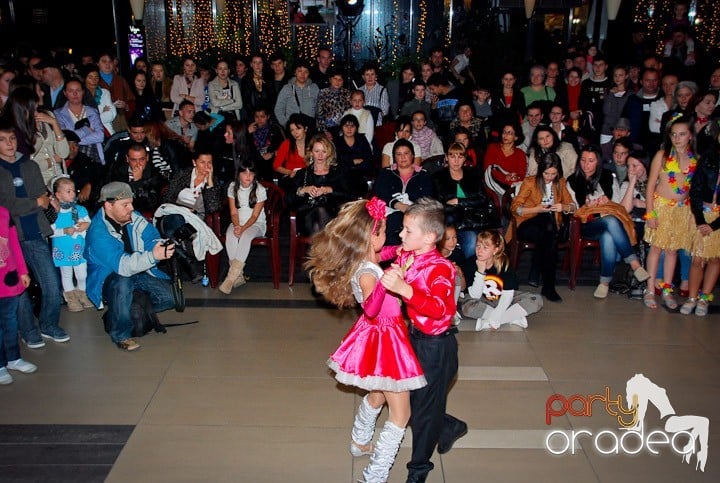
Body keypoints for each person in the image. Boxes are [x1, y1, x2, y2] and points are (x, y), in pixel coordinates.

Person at [305, 197, 427, 483]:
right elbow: (372, 306)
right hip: (387, 341)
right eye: (383, 232)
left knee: (377, 393)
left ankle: (359, 441)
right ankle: (374, 476)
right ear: (372, 235)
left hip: (377, 336)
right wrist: (388, 283)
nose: (387, 238)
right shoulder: (367, 273)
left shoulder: (366, 259)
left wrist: (403, 250)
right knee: (401, 414)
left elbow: (385, 255)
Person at [378, 197, 466, 483]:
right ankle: (449, 426)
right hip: (415, 339)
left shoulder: (440, 268)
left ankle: (418, 471)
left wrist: (405, 289)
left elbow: (442, 309)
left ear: (429, 237)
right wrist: (368, 248)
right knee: (414, 402)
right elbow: (386, 251)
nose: (401, 235)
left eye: (407, 230)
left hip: (437, 346)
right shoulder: (408, 253)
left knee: (424, 412)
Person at [0, 120, 68, 347]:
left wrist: (45, 201)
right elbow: (5, 206)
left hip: (34, 231)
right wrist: (35, 202)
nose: (9, 144)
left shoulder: (29, 165)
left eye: (11, 139)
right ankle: (29, 332)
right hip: (8, 237)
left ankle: (48, 324)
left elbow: (42, 195)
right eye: (2, 140)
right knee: (17, 288)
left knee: (51, 283)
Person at [85, 182, 176, 351]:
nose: (131, 208)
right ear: (108, 205)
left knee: (170, 299)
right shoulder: (98, 233)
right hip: (110, 277)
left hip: (136, 270)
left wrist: (159, 246)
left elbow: (151, 236)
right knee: (123, 282)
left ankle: (122, 309)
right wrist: (153, 256)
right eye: (125, 204)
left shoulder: (132, 216)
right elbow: (123, 266)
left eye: (131, 203)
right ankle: (121, 334)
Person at [566, 145, 650, 298]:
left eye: (591, 161)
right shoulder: (572, 180)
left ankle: (604, 282)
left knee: (608, 234)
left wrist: (606, 201)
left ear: (598, 162)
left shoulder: (608, 177)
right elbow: (573, 208)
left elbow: (618, 205)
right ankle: (634, 263)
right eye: (583, 160)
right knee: (610, 221)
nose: (586, 164)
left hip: (608, 222)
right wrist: (587, 205)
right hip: (587, 223)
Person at [643, 116, 697, 310]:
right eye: (673, 134)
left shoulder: (694, 159)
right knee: (656, 248)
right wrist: (650, 213)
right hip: (661, 207)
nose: (677, 138)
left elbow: (693, 190)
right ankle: (650, 289)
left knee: (672, 250)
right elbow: (650, 185)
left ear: (690, 136)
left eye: (682, 134)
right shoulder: (663, 155)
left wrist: (693, 214)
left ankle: (667, 289)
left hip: (682, 210)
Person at [510, 152, 575, 301]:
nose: (550, 177)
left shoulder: (561, 182)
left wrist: (563, 207)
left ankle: (538, 270)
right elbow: (515, 208)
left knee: (549, 236)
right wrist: (537, 209)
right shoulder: (530, 182)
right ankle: (548, 286)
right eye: (547, 173)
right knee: (547, 225)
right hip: (528, 223)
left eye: (553, 174)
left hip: (549, 229)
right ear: (541, 170)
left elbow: (573, 206)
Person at [459, 229, 543, 329]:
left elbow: (508, 294)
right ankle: (513, 317)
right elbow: (475, 295)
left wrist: (496, 317)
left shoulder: (504, 264)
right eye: (478, 246)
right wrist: (480, 272)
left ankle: (490, 321)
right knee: (467, 306)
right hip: (483, 300)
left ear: (495, 250)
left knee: (536, 300)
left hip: (503, 298)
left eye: (485, 248)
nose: (479, 251)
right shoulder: (471, 263)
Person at [432, 142, 495, 258]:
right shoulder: (438, 177)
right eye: (452, 156)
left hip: (477, 219)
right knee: (471, 241)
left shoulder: (473, 174)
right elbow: (438, 205)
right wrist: (466, 204)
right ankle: (469, 271)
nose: (456, 161)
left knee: (490, 241)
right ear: (446, 157)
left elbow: (483, 199)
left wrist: (459, 202)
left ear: (465, 158)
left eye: (460, 156)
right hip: (453, 223)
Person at [0, 84, 70, 185]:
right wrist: (52, 160)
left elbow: (64, 153)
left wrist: (55, 124)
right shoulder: (14, 131)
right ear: (22, 110)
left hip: (58, 180)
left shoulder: (47, 116)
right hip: (37, 181)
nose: (36, 113)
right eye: (32, 110)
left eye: (37, 108)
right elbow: (22, 164)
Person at [682, 132, 720, 316]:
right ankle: (691, 297)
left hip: (718, 220)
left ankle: (705, 298)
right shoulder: (707, 157)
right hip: (702, 215)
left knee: (715, 258)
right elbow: (695, 189)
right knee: (697, 258)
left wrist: (714, 225)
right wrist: (700, 220)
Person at [0, 205, 37, 385]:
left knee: (10, 321)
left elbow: (14, 243)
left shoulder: (4, 213)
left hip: (8, 278)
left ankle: (13, 358)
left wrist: (23, 271)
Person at [218, 159, 267, 294]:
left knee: (245, 236)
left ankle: (230, 278)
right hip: (238, 222)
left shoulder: (260, 190)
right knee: (230, 235)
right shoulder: (232, 187)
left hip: (255, 224)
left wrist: (243, 228)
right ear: (238, 174)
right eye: (245, 174)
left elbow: (255, 216)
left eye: (251, 174)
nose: (248, 177)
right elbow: (233, 212)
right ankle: (238, 276)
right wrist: (237, 226)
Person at [287, 134, 351, 236]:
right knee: (317, 216)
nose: (320, 155)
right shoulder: (302, 174)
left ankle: (317, 249)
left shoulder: (338, 172)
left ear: (329, 153)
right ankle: (323, 249)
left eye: (324, 151)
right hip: (307, 214)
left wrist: (329, 190)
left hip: (334, 215)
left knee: (320, 216)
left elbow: (350, 196)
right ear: (311, 152)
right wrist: (303, 190)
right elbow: (288, 200)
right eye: (317, 151)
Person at [374, 139, 434, 245]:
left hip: (416, 213)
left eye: (406, 153)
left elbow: (428, 197)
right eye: (399, 154)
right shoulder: (386, 173)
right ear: (394, 157)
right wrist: (398, 205)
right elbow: (380, 193)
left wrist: (411, 208)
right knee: (393, 220)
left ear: (413, 155)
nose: (403, 157)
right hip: (389, 213)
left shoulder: (424, 175)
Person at [48, 175, 94, 312]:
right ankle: (71, 298)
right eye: (68, 191)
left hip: (79, 248)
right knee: (66, 273)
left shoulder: (79, 210)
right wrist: (64, 231)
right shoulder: (54, 213)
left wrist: (86, 224)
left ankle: (82, 293)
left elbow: (88, 222)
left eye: (73, 190)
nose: (73, 193)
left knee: (82, 274)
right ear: (58, 195)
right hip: (63, 249)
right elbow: (50, 232)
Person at [54, 78, 106, 165]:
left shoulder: (92, 111)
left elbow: (100, 136)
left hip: (94, 157)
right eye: (71, 91)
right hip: (70, 159)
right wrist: (87, 130)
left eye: (78, 90)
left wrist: (74, 140)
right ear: (65, 93)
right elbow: (65, 138)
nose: (75, 94)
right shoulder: (58, 114)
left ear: (83, 92)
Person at [107, 142, 167, 215]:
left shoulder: (155, 175)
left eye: (142, 159)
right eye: (133, 160)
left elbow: (150, 204)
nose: (138, 164)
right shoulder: (118, 172)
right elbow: (113, 196)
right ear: (127, 159)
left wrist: (138, 182)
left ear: (147, 158)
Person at [163, 149, 223, 218]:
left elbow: (213, 208)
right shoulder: (183, 174)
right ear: (194, 162)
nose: (206, 166)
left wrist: (210, 183)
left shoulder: (214, 181)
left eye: (209, 162)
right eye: (202, 162)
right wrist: (183, 210)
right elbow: (168, 198)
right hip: (175, 212)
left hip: (195, 218)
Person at [482, 120, 526, 200]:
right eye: (504, 132)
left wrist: (514, 177)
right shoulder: (493, 148)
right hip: (493, 185)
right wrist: (505, 177)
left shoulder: (520, 153)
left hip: (512, 185)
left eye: (509, 133)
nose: (505, 135)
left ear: (516, 137)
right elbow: (488, 169)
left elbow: (521, 175)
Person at [334, 114, 374, 197]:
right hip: (344, 175)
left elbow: (369, 159)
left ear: (356, 128)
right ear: (342, 127)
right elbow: (337, 163)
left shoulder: (362, 139)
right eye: (346, 126)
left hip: (362, 174)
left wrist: (348, 162)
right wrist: (353, 162)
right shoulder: (336, 142)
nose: (349, 129)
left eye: (352, 126)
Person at [274, 60, 319, 130]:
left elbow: (319, 109)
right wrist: (286, 124)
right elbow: (278, 109)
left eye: (306, 72)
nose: (303, 74)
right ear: (295, 72)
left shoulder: (314, 88)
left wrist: (317, 125)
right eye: (300, 71)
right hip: (293, 129)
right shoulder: (287, 88)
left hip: (309, 128)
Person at [97, 51, 134, 134]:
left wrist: (126, 106)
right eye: (104, 61)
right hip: (103, 122)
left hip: (121, 120)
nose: (107, 64)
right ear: (98, 64)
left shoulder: (121, 80)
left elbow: (132, 100)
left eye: (110, 61)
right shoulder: (94, 81)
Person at [272, 113, 310, 193]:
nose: (295, 133)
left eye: (298, 129)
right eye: (292, 130)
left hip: (309, 177)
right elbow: (276, 166)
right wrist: (289, 172)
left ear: (305, 129)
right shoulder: (286, 144)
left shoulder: (313, 143)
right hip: (291, 178)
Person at [81, 64, 117, 137]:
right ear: (84, 79)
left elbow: (111, 115)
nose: (94, 80)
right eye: (90, 77)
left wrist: (96, 116)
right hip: (89, 134)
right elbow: (84, 121)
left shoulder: (105, 92)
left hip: (108, 132)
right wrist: (102, 114)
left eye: (96, 77)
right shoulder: (80, 95)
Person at [315, 67, 351, 140]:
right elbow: (319, 114)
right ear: (330, 79)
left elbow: (349, 113)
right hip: (327, 130)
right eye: (335, 79)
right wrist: (324, 131)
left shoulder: (347, 93)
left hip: (344, 129)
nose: (337, 81)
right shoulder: (323, 93)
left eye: (340, 79)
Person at [358, 62, 390, 126]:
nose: (370, 77)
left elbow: (385, 111)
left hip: (377, 125)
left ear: (376, 76)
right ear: (363, 77)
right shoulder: (359, 90)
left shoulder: (382, 90)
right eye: (367, 74)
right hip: (361, 125)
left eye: (372, 74)